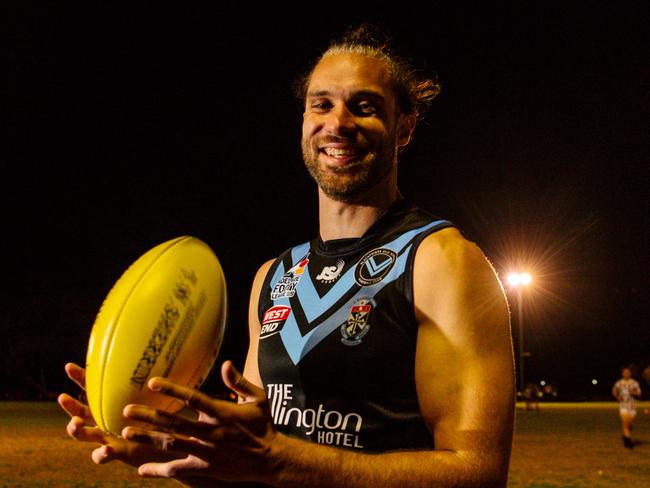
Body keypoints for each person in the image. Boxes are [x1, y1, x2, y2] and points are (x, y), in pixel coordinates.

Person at [58, 23, 516, 486]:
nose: (338, 122)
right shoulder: (274, 277)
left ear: (404, 128)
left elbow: (477, 472)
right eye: (322, 104)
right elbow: (259, 462)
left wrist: (280, 463)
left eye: (365, 107)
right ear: (303, 120)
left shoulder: (442, 261)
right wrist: (176, 450)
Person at [611, 365, 642, 449]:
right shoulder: (619, 383)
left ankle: (625, 435)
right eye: (624, 372)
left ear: (630, 373)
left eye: (628, 372)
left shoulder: (634, 383)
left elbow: (639, 393)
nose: (626, 374)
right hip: (623, 406)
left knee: (630, 425)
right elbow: (614, 390)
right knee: (625, 422)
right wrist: (617, 397)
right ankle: (628, 441)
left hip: (632, 407)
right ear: (622, 374)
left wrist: (634, 393)